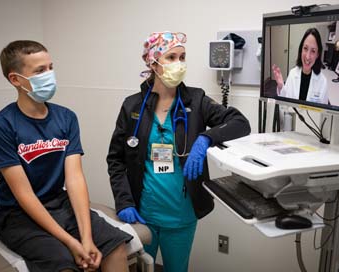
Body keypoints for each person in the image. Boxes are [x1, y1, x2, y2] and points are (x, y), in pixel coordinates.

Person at [107, 31, 251, 272]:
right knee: (141, 269)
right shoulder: (132, 106)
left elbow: (240, 122)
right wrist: (123, 202)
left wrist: (206, 138)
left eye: (182, 57)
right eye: (171, 57)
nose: (179, 64)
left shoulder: (196, 100)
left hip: (182, 214)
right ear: (153, 63)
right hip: (143, 214)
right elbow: (116, 160)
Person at [0, 40, 132, 272]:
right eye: (40, 71)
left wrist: (86, 237)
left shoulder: (66, 118)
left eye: (51, 67)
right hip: (17, 214)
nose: (50, 75)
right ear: (15, 79)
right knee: (63, 263)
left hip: (59, 203)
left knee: (116, 247)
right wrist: (70, 242)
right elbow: (23, 194)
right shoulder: (2, 125)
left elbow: (74, 179)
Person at [272, 28, 329, 104]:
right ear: (301, 49)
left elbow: (323, 112)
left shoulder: (322, 82)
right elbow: (285, 100)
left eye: (313, 51)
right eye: (305, 48)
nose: (308, 57)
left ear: (317, 55)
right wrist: (281, 86)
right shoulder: (292, 74)